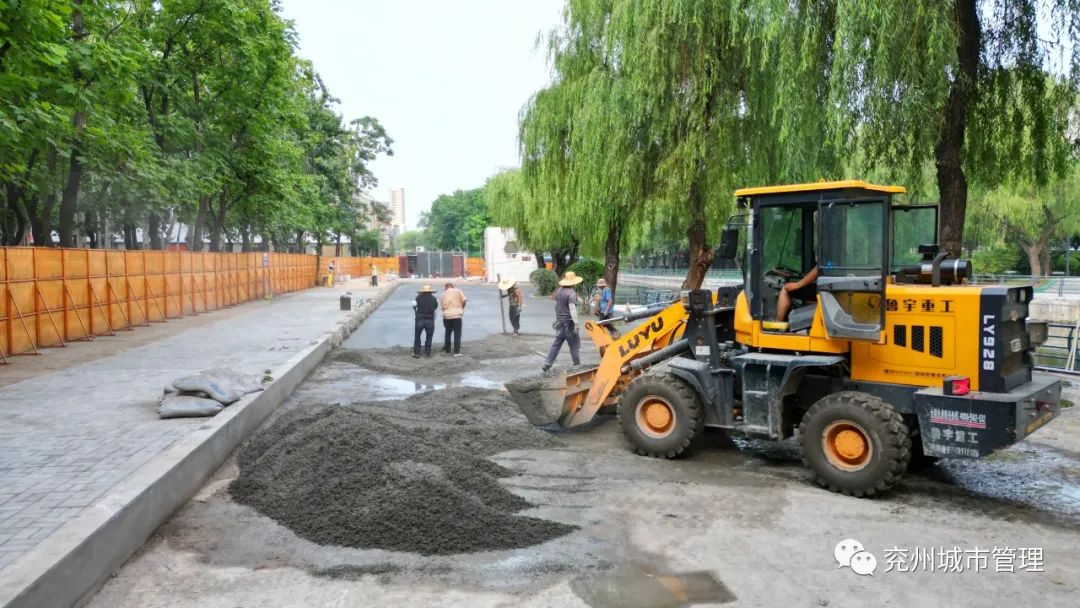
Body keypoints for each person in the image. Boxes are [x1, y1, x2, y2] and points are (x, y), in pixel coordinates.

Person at [543, 271, 583, 372]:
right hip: (569, 322)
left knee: (557, 343)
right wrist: (576, 323)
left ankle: (548, 363)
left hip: (559, 321)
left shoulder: (559, 291)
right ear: (573, 282)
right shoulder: (571, 293)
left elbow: (557, 304)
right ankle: (576, 364)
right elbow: (572, 309)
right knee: (573, 343)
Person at [440, 282, 468, 356]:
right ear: (452, 286)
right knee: (457, 333)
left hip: (447, 316)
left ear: (446, 287)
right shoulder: (458, 291)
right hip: (457, 315)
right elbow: (464, 300)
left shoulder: (443, 294)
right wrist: (462, 307)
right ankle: (456, 352)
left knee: (448, 332)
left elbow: (442, 307)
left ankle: (447, 350)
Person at [412, 285, 438, 358]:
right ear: (430, 291)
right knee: (429, 337)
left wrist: (415, 309)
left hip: (419, 320)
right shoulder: (433, 298)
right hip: (430, 320)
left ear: (423, 291)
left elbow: (414, 305)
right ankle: (428, 353)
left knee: (417, 336)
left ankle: (417, 353)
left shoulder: (418, 297)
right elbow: (435, 307)